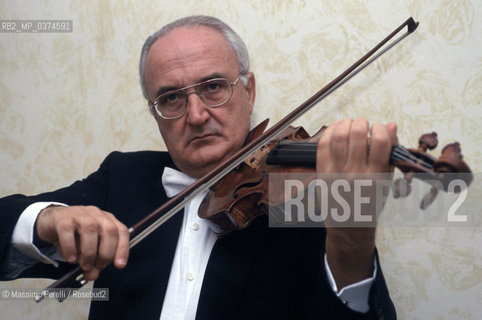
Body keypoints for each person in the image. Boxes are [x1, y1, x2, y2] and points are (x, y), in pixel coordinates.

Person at [0, 15, 397, 319]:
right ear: (155, 114)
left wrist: (350, 242)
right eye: (171, 98)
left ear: (249, 90)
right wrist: (46, 220)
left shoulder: (305, 201)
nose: (196, 114)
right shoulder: (121, 179)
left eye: (213, 87)